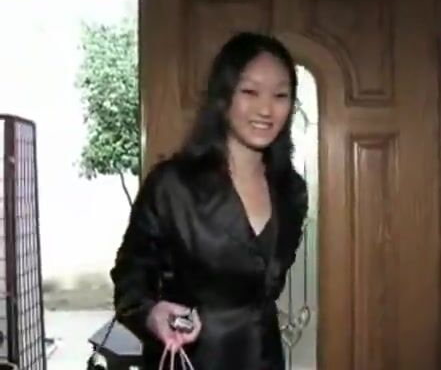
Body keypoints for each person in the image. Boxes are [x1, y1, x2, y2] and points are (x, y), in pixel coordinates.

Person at [110, 32, 308, 370]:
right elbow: (130, 277)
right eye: (249, 92)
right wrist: (153, 314)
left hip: (264, 358)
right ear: (223, 96)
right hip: (192, 358)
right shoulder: (172, 185)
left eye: (280, 95)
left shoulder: (292, 191)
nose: (266, 109)